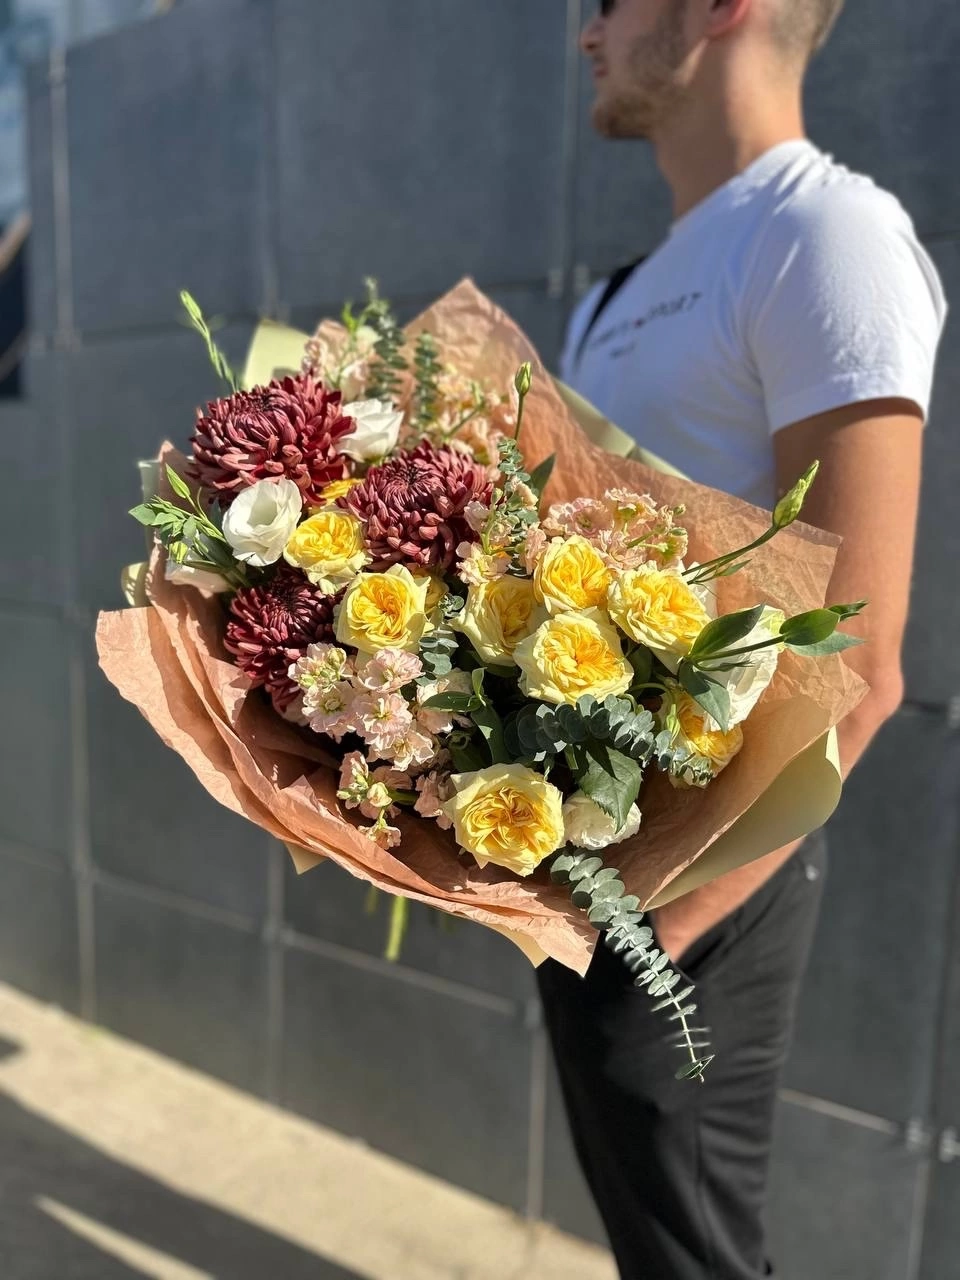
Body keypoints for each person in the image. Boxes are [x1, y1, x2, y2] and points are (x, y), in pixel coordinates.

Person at [535, 2, 947, 1277]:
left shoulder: (824, 233)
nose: (584, 33)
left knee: (698, 1252)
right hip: (581, 864)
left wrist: (657, 925)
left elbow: (860, 668)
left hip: (703, 892)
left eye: (605, 2)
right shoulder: (623, 291)